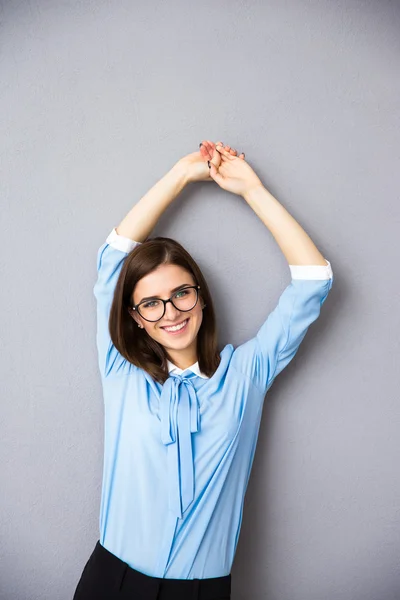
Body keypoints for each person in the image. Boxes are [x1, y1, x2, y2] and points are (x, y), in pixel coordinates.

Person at [72, 141, 334, 599]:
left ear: (201, 296)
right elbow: (111, 262)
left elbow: (313, 279)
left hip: (199, 592)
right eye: (150, 303)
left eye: (181, 294)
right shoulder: (121, 370)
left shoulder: (247, 374)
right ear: (135, 317)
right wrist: (177, 176)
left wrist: (252, 190)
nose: (170, 312)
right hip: (110, 582)